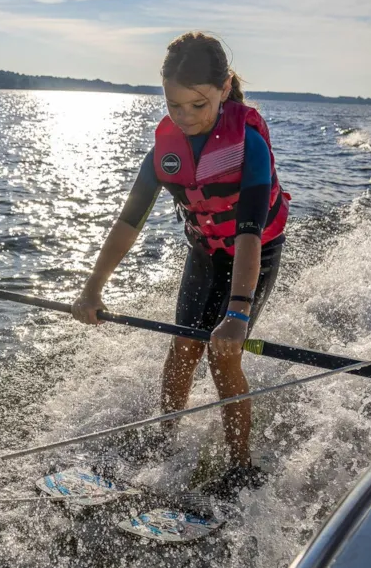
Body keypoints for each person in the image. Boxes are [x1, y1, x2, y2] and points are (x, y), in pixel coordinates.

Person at [71, 31, 290, 500]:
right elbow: (128, 221)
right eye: (174, 106)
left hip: (255, 250)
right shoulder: (165, 147)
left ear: (225, 88)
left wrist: (236, 315)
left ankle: (239, 467)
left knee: (223, 353)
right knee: (183, 346)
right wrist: (93, 288)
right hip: (207, 251)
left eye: (199, 105)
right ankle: (164, 439)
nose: (186, 118)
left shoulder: (249, 143)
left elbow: (249, 233)